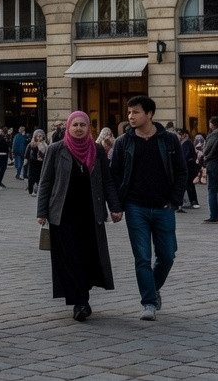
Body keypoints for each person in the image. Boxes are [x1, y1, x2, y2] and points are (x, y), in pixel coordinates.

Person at [36, 111, 122, 321]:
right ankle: (80, 302)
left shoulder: (97, 150)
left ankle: (82, 295)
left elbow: (107, 181)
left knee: (87, 257)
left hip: (90, 214)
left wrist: (115, 207)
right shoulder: (57, 149)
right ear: (68, 127)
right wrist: (41, 212)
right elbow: (46, 182)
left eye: (82, 125)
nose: (78, 129)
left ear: (88, 128)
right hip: (63, 214)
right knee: (69, 258)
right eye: (75, 125)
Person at [109, 96, 187, 320]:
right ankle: (149, 303)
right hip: (136, 208)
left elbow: (182, 171)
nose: (131, 117)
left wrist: (175, 200)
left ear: (150, 114)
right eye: (129, 112)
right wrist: (117, 206)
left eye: (136, 112)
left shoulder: (169, 140)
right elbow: (114, 176)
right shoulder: (123, 142)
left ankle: (153, 288)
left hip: (164, 207)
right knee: (142, 257)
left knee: (167, 255)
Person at [179, 129, 201, 211]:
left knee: (189, 184)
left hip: (189, 167)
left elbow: (186, 155)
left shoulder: (187, 143)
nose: (178, 136)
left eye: (179, 134)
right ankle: (190, 201)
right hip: (189, 167)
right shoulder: (184, 142)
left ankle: (193, 201)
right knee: (188, 185)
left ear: (183, 135)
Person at [26, 130, 48, 195]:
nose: (39, 138)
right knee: (31, 177)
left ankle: (39, 190)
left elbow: (46, 154)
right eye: (37, 136)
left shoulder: (45, 145)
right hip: (32, 162)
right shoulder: (31, 144)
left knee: (40, 176)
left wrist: (40, 147)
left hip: (41, 163)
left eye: (40, 136)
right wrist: (26, 160)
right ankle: (31, 190)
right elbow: (27, 153)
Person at [206, 116, 218, 223]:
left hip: (213, 164)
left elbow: (206, 150)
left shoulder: (214, 135)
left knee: (212, 190)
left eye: (210, 123)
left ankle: (214, 215)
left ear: (213, 125)